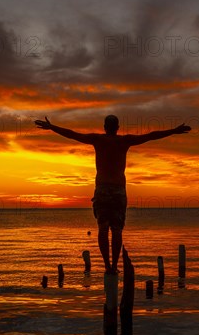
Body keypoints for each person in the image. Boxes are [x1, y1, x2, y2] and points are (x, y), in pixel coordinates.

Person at [34, 115, 191, 274]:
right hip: (117, 190)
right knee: (116, 230)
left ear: (104, 127)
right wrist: (174, 130)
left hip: (102, 189)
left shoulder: (98, 140)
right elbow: (150, 136)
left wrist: (52, 127)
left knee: (103, 228)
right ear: (118, 127)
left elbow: (73, 134)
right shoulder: (124, 141)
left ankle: (108, 266)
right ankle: (114, 266)